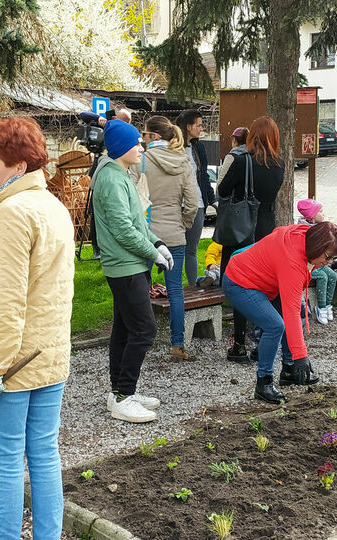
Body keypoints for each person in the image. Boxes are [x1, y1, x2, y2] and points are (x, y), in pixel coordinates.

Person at [0, 116, 74, 540]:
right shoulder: (52, 205)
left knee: (7, 460)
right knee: (44, 454)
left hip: (11, 364)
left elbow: (8, 302)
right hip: (49, 356)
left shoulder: (12, 214)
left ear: (18, 168)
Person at [91, 119, 173, 423]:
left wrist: (157, 243)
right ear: (121, 147)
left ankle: (119, 392)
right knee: (145, 329)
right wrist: (153, 253)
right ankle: (124, 396)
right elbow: (123, 230)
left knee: (125, 329)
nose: (141, 147)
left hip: (132, 264)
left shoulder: (120, 173)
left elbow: (137, 222)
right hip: (124, 267)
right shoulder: (111, 179)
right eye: (136, 143)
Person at [222, 222, 337, 402]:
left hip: (267, 281)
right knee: (275, 326)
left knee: (293, 313)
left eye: (333, 258)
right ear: (316, 246)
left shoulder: (307, 236)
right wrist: (301, 356)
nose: (329, 263)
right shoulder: (292, 262)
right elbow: (290, 314)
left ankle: (289, 370)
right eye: (328, 257)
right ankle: (263, 383)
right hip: (240, 282)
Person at [217, 116, 285, 363]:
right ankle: (262, 339)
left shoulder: (241, 161)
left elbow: (222, 190)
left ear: (251, 136)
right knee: (264, 286)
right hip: (265, 230)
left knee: (240, 284)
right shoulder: (280, 164)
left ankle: (239, 344)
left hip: (240, 230)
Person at [142, 115, 199, 359]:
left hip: (146, 234)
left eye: (145, 134)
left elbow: (135, 197)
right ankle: (177, 345)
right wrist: (183, 224)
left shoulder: (142, 161)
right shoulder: (183, 161)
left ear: (154, 136)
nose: (143, 139)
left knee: (141, 289)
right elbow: (193, 203)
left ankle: (141, 341)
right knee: (175, 291)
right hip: (175, 233)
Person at [176, 110, 216, 287]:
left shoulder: (198, 147)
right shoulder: (172, 147)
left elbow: (204, 176)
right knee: (175, 249)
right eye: (199, 125)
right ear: (188, 127)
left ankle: (192, 288)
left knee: (191, 250)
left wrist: (212, 199)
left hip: (198, 203)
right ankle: (174, 286)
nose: (201, 129)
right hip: (176, 204)